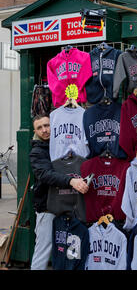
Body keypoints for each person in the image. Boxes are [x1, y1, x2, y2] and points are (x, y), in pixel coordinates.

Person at [29, 114, 89, 270]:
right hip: (47, 208)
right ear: (35, 131)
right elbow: (46, 174)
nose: (44, 130)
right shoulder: (37, 151)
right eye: (39, 128)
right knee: (44, 249)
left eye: (46, 125)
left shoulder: (61, 144)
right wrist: (71, 181)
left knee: (71, 249)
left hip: (68, 205)